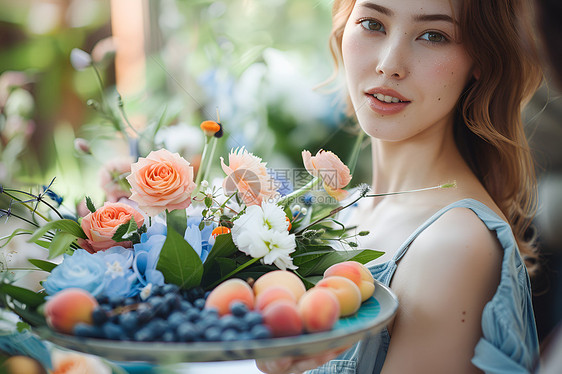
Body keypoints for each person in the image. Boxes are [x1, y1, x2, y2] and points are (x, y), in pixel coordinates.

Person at [257, 0, 543, 373]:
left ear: (481, 61)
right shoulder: (354, 208)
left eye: (433, 35)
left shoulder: (454, 247)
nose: (389, 64)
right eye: (373, 24)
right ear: (345, 26)